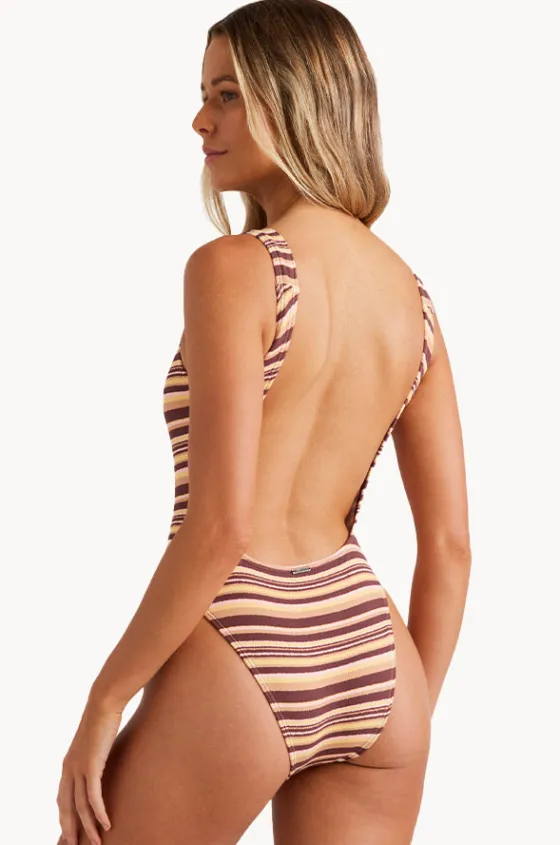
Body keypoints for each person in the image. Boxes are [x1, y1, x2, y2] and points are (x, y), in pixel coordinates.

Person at [56, 1, 471, 843]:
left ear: (296, 99)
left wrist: (106, 698)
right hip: (375, 656)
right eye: (203, 95)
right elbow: (452, 546)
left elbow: (222, 526)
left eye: (227, 95)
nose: (200, 120)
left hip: (247, 634)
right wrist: (407, 714)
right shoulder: (413, 301)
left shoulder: (234, 270)